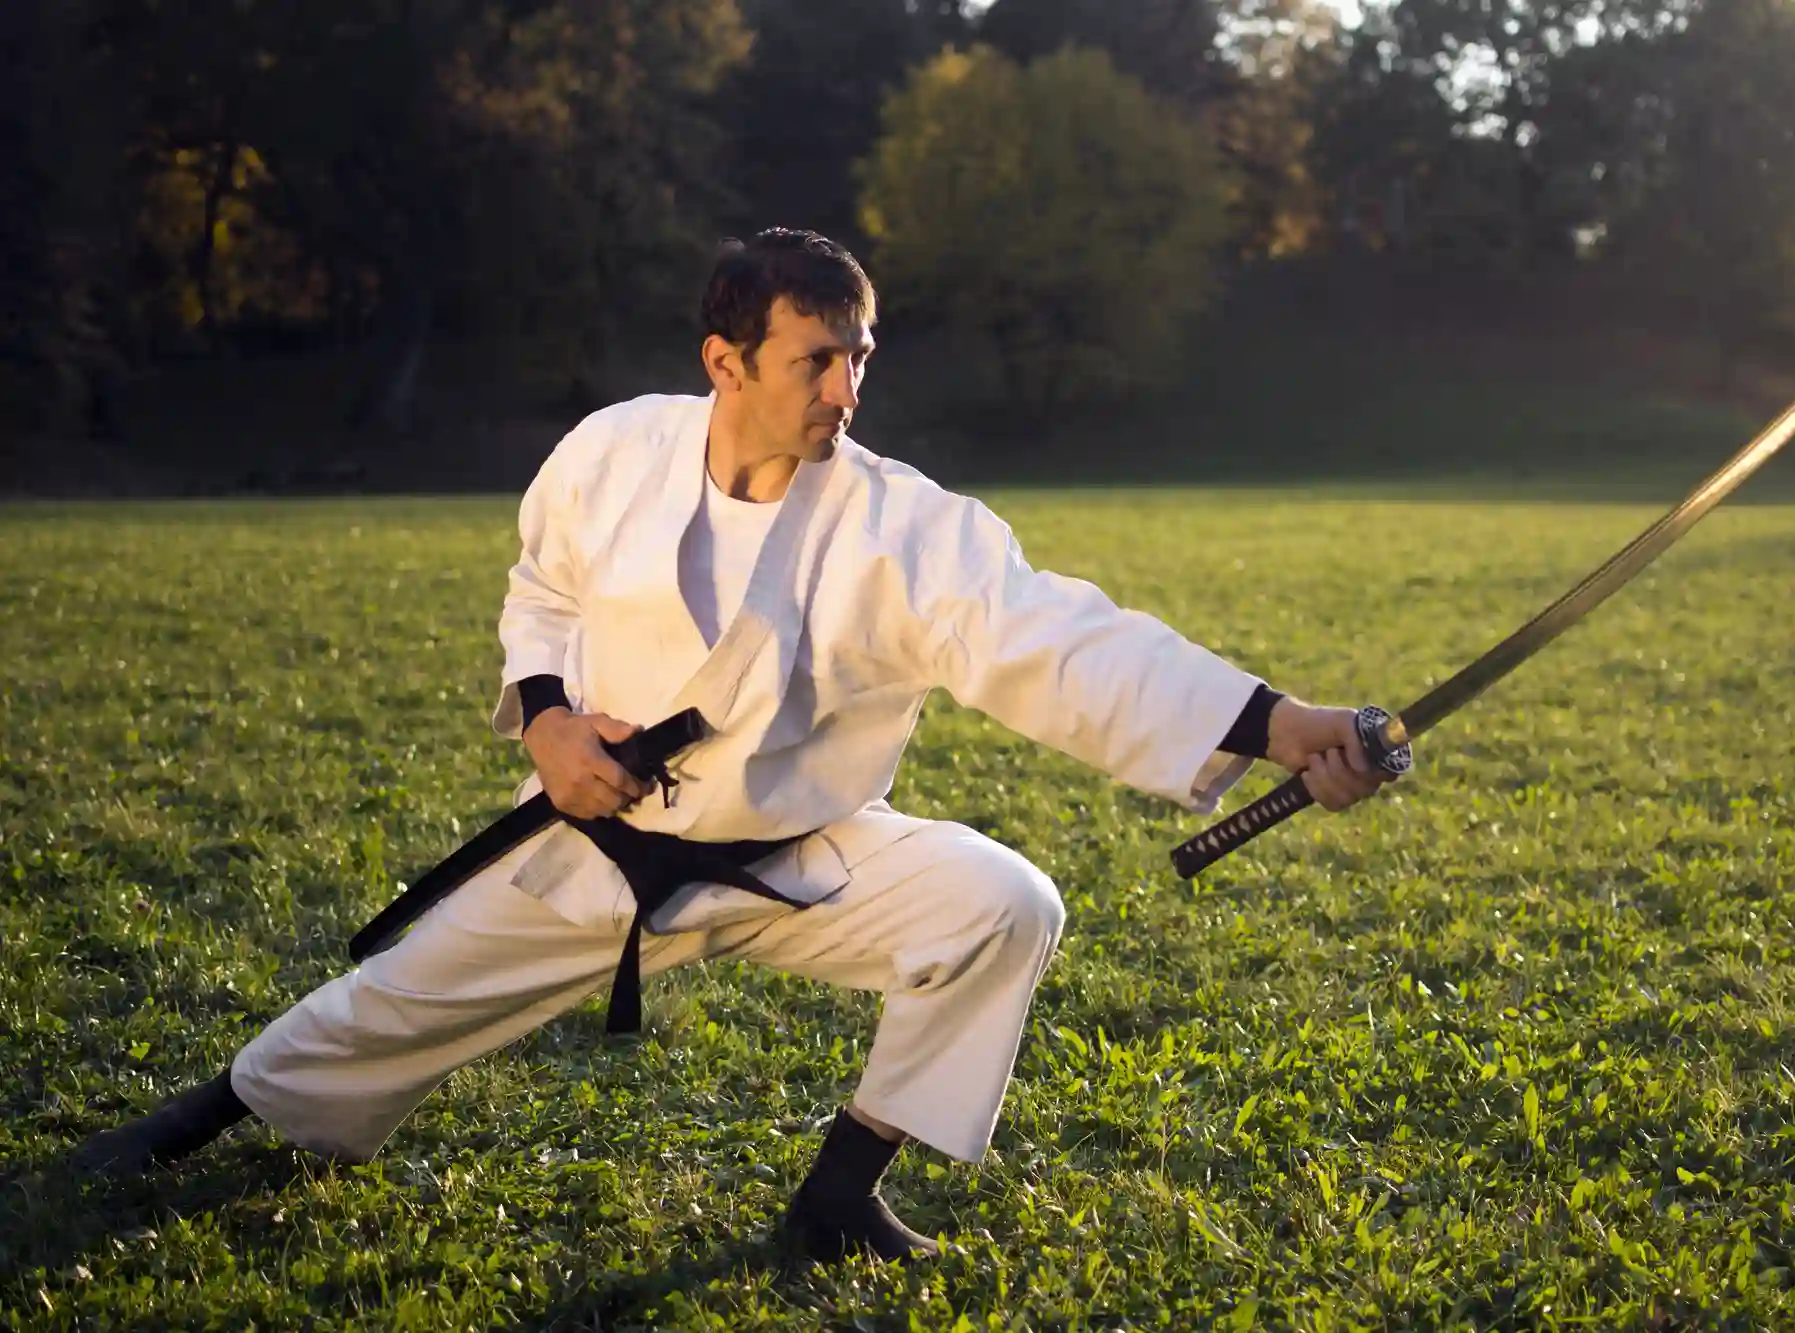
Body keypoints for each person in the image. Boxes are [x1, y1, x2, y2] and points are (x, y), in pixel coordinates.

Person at [71, 228, 1399, 1263]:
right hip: (605, 846)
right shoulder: (613, 454)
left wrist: (1283, 727)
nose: (846, 387)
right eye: (815, 358)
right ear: (726, 362)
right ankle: (214, 1113)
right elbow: (541, 592)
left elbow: (1057, 639)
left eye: (861, 354)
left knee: (1000, 903)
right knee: (393, 999)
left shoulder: (902, 526)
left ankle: (837, 1198)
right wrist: (546, 722)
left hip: (794, 854)